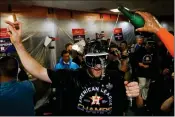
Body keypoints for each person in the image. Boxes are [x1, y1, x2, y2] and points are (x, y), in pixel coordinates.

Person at [6, 21, 139, 116]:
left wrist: (136, 95)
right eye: (92, 60)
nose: (97, 66)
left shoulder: (115, 76)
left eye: (101, 59)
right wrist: (18, 43)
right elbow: (38, 71)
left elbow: (136, 106)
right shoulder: (72, 76)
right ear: (84, 59)